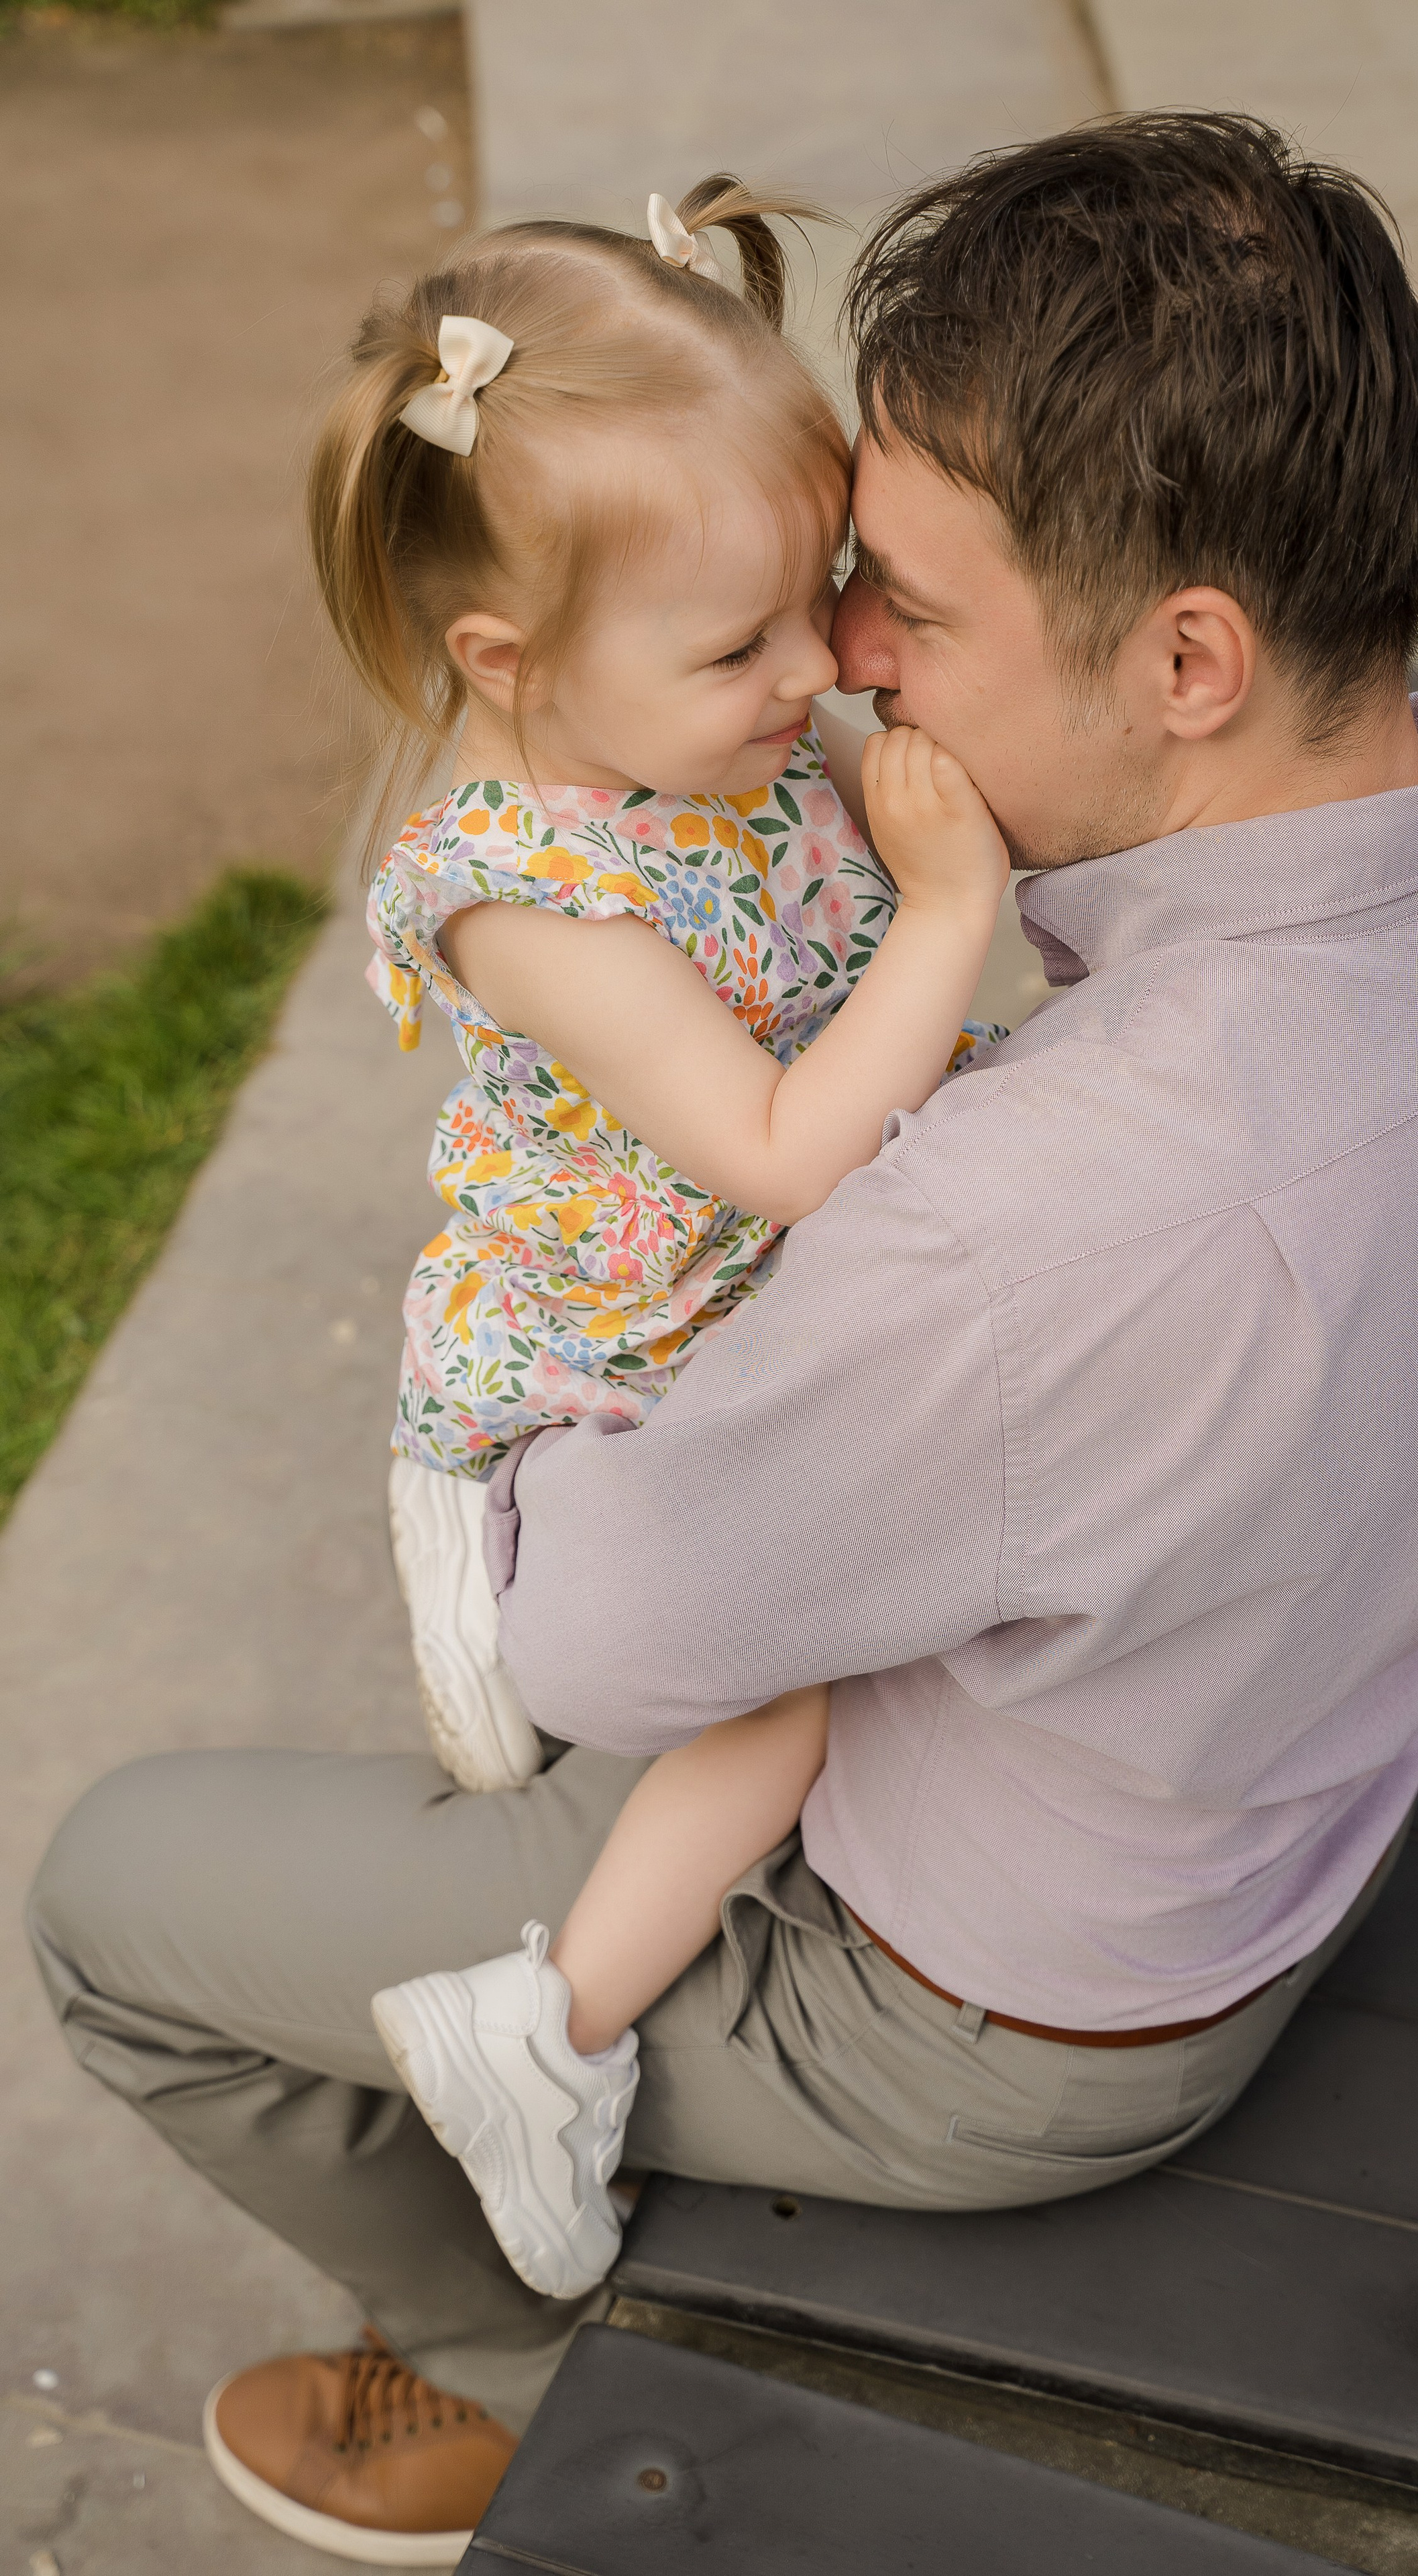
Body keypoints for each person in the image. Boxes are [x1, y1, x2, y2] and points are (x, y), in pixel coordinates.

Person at [30, 112, 1418, 2566]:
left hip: (1002, 2022)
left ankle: (510, 2385)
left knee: (108, 1902)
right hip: (1285, 1771)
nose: (843, 662)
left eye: (903, 603)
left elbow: (599, 1634)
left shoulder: (1027, 1242)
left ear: (1190, 658)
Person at [306, 177, 1007, 2317]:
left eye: (829, 602)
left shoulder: (720, 734)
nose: (821, 676)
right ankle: (543, 2026)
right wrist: (957, 913)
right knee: (801, 1695)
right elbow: (786, 1148)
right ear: (505, 662)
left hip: (736, 1287)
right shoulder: (526, 895)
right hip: (609, 1317)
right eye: (746, 646)